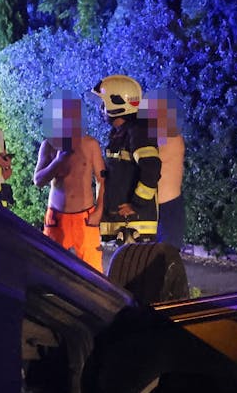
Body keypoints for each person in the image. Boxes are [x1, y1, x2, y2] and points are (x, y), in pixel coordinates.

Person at [32, 93, 104, 269]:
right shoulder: (49, 145)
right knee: (51, 268)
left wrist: (99, 211)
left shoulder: (90, 144)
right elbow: (38, 180)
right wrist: (57, 162)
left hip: (85, 218)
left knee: (93, 271)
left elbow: (102, 179)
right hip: (56, 217)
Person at [91, 74, 159, 241]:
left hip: (134, 224)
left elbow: (151, 168)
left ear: (117, 103)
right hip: (123, 221)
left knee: (132, 266)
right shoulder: (121, 133)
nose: (101, 109)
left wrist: (136, 205)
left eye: (104, 103)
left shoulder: (138, 132)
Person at [145, 89, 187, 250]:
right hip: (151, 208)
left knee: (164, 258)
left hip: (167, 208)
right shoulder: (155, 138)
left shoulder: (172, 139)